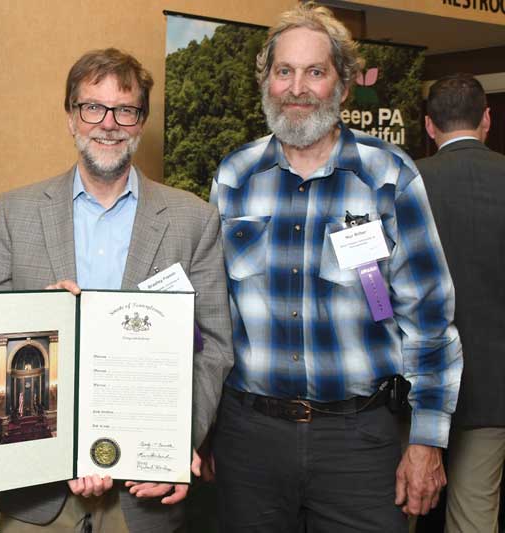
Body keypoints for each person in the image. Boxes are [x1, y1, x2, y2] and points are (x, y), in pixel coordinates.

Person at [209, 3, 463, 532]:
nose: (297, 87)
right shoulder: (233, 175)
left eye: (315, 72)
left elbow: (430, 317)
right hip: (249, 439)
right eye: (284, 71)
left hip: (360, 443)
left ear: (343, 86)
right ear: (267, 83)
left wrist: (426, 440)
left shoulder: (388, 176)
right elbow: (210, 313)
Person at [0, 48, 233, 532]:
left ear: (141, 121)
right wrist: (37, 315)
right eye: (92, 107)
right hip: (38, 493)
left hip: (143, 494)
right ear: (71, 117)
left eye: (125, 110)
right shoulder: (16, 211)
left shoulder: (194, 220)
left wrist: (173, 446)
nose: (107, 123)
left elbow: (212, 346)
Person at [417, 73, 505, 533]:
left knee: (398, 505)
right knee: (474, 518)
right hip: (492, 389)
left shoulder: (402, 184)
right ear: (486, 119)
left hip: (409, 387)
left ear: (430, 127)